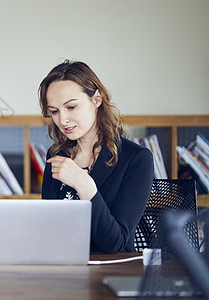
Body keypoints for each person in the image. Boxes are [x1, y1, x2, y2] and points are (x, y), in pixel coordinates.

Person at [38, 60, 154, 253]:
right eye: (54, 112)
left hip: (109, 272)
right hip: (62, 265)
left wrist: (85, 186)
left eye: (71, 107)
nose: (62, 120)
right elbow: (51, 226)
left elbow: (115, 243)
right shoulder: (57, 154)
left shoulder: (136, 159)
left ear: (96, 99)